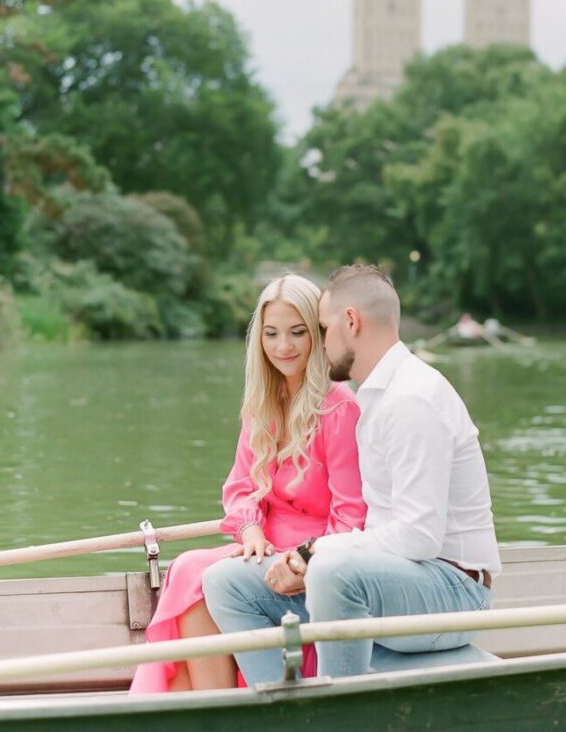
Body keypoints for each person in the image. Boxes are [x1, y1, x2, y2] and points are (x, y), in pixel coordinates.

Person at [203, 264, 501, 682]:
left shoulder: (412, 399)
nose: (318, 344)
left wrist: (316, 554)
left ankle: (337, 714)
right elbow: (373, 527)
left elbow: (420, 536)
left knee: (332, 571)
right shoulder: (375, 399)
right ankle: (282, 714)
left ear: (351, 322)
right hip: (385, 578)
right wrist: (303, 560)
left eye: (322, 329)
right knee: (224, 581)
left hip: (452, 589)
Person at [130, 273, 366, 693]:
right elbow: (240, 487)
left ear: (318, 334)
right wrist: (249, 526)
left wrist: (304, 562)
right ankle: (218, 707)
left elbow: (351, 514)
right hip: (262, 544)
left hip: (311, 555)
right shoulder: (262, 404)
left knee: (197, 573)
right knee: (189, 571)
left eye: (297, 333)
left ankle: (224, 706)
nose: (283, 347)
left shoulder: (339, 407)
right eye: (271, 334)